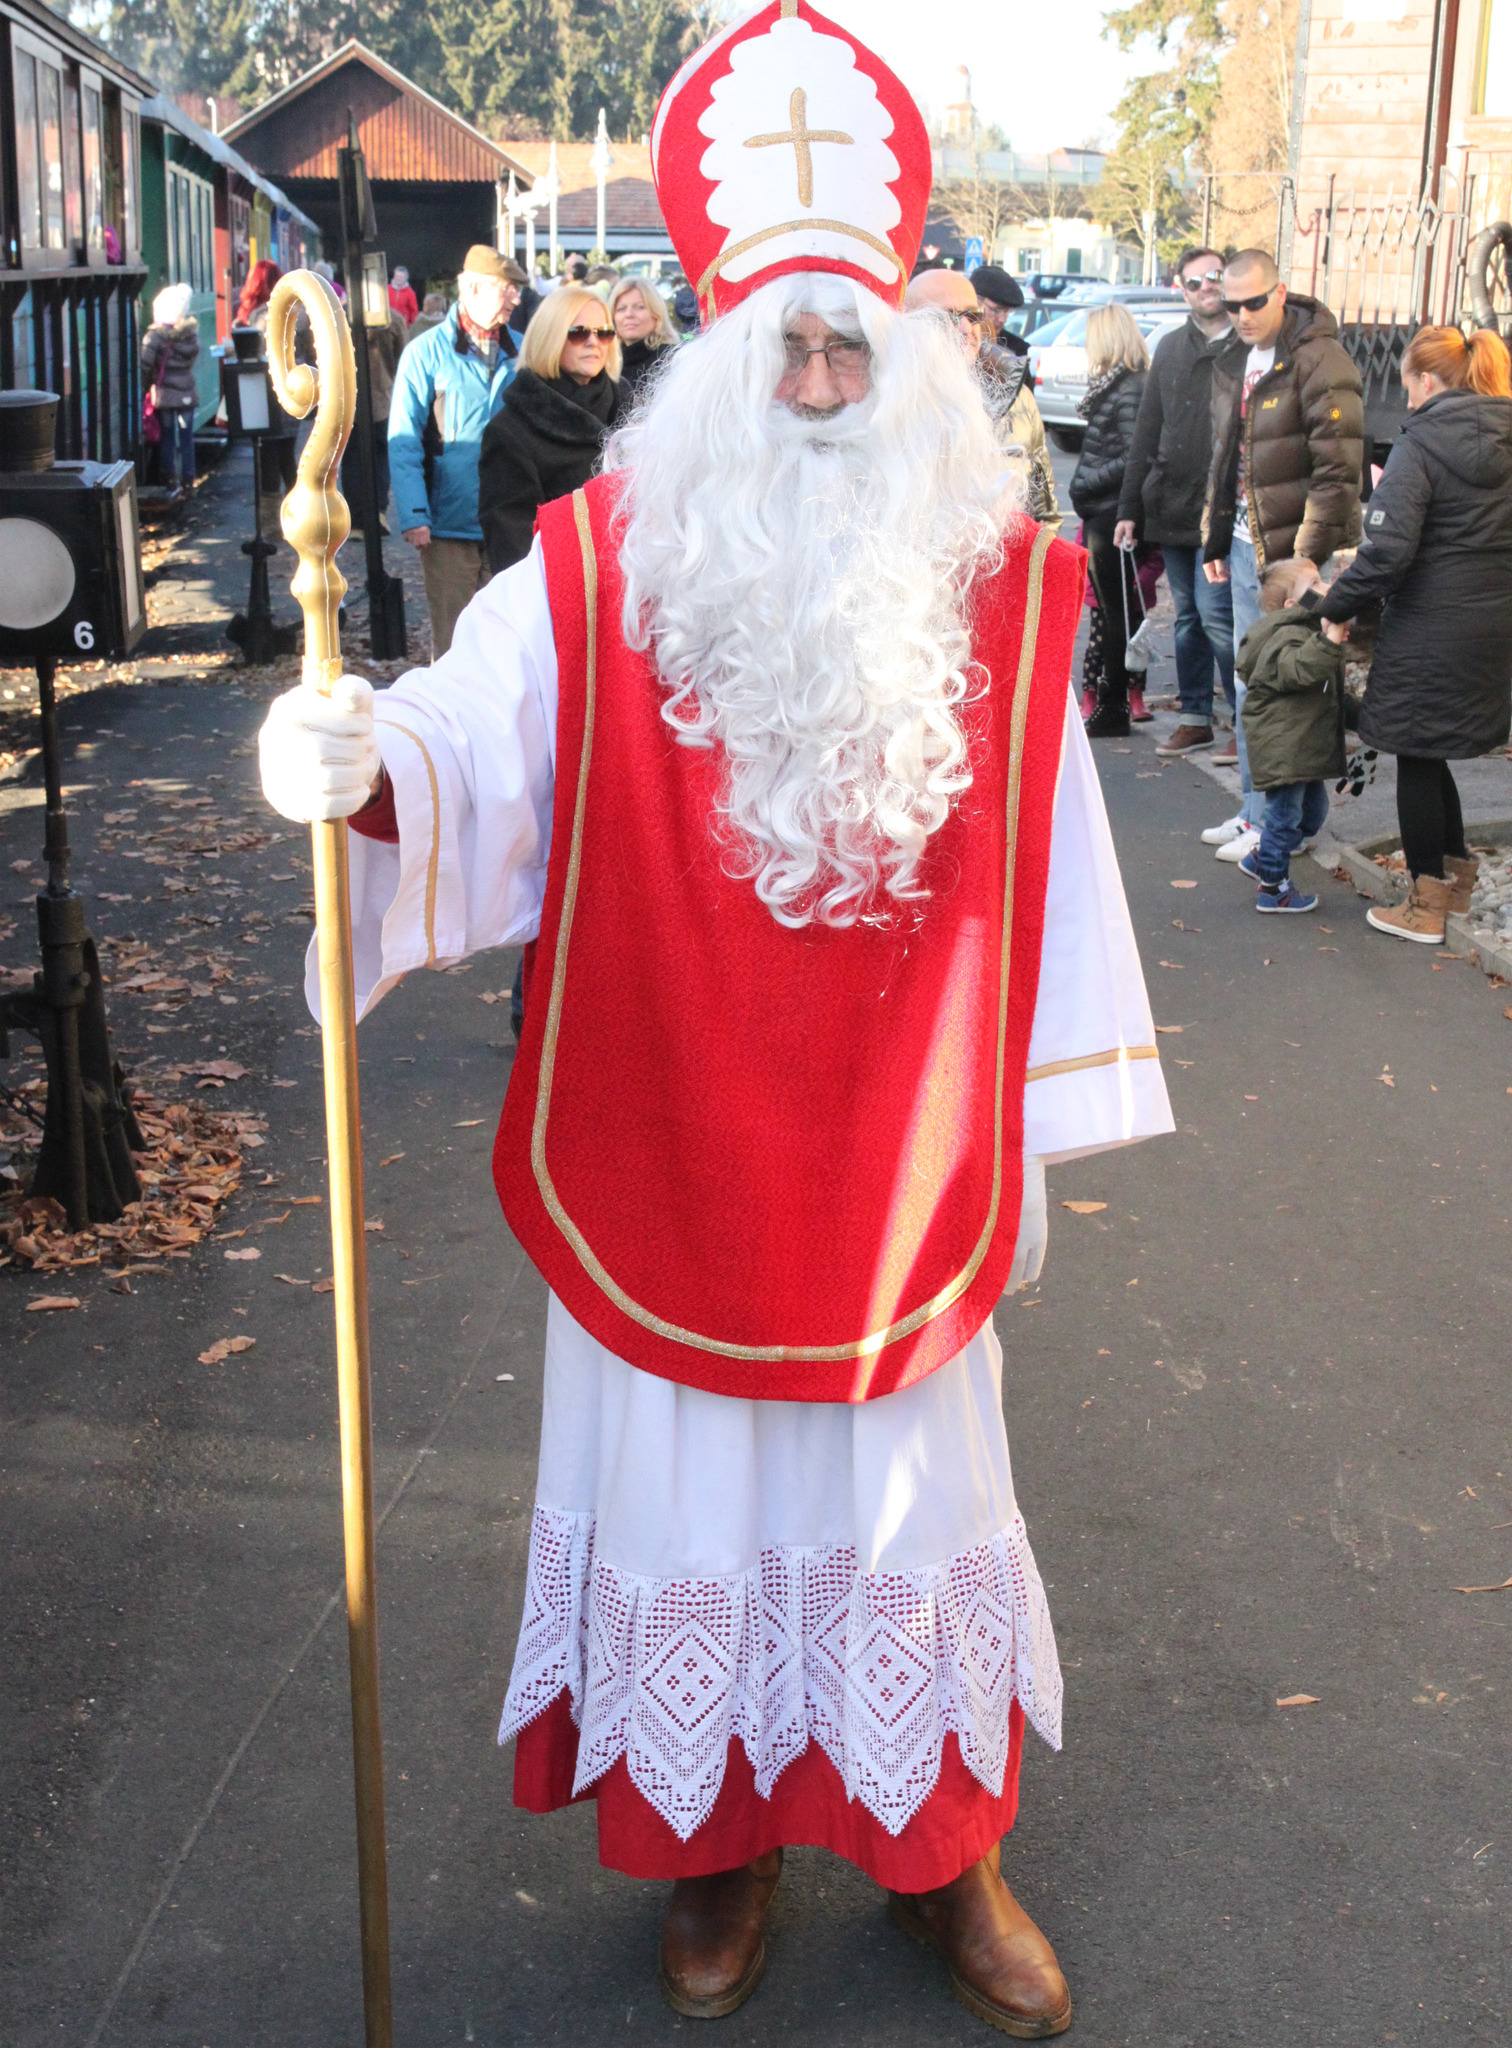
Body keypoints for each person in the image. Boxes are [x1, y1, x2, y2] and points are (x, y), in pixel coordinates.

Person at [256, 7, 1170, 2032]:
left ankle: (948, 1858)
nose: (827, 387)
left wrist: (1044, 1118)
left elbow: (1062, 869)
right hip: (656, 1145)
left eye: (857, 350)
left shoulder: (1002, 595)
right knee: (685, 1509)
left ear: (915, 362)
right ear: (716, 370)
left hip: (909, 1174)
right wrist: (356, 755)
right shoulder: (591, 575)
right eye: (790, 355)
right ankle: (708, 1845)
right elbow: (467, 742)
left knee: (918, 1512)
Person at [1315, 324, 1512, 944]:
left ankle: (1424, 906)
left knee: (1414, 750)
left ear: (1426, 381)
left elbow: (1387, 551)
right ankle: (1452, 884)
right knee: (1432, 748)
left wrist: (1336, 603)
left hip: (1430, 622)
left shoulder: (1420, 443)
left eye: (1407, 385)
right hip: (1494, 622)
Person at [1199, 249, 1364, 865]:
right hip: (1247, 545)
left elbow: (1338, 471)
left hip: (1292, 558)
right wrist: (1216, 537)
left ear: (1281, 292)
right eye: (1231, 303)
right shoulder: (1235, 356)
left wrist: (1304, 563)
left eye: (1252, 302)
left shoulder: (1319, 357)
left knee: (1289, 693)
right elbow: (1225, 455)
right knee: (1254, 686)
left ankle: (1277, 822)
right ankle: (1256, 810)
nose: (1240, 314)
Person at [1114, 247, 1246, 760]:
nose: (1206, 288)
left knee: (1219, 617)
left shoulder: (1247, 345)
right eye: (1194, 282)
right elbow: (1146, 431)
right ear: (1182, 290)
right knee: (1189, 617)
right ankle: (1195, 717)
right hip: (1173, 505)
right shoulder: (1169, 347)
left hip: (1226, 511)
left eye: (1214, 277)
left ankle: (1242, 720)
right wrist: (1130, 508)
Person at [388, 246, 525, 656]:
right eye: (509, 289)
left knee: (508, 646)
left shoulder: (527, 352)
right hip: (447, 526)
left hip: (511, 523)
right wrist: (414, 515)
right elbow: (403, 439)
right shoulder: (424, 353)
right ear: (476, 288)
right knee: (453, 645)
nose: (516, 299)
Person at [478, 286, 623, 575]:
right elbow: (513, 551)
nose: (594, 342)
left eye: (604, 332)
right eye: (579, 332)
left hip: (632, 590)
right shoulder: (511, 430)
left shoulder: (631, 409)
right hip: (561, 594)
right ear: (550, 337)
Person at [1229, 556, 1345, 914]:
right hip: (1285, 749)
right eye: (1314, 585)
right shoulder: (1283, 634)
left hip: (1302, 745)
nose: (1324, 587)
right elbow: (1298, 670)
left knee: (1313, 813)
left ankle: (1261, 858)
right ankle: (1273, 889)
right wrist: (1331, 641)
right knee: (1284, 818)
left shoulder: (1308, 630)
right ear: (1292, 605)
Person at [904, 266, 1059, 530]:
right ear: (907, 326)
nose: (966, 328)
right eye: (946, 318)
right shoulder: (881, 400)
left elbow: (1042, 510)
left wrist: (1033, 565)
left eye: (972, 315)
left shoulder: (1016, 396)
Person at [1069, 305, 1149, 736]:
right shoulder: (1120, 384)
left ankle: (1114, 703)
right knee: (1112, 613)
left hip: (1112, 512)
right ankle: (1111, 699)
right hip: (1105, 510)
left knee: (1115, 614)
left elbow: (1134, 455)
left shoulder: (1129, 387)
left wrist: (1085, 482)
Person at [341, 302, 409, 531]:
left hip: (348, 401)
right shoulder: (394, 318)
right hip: (383, 399)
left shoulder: (338, 315)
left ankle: (356, 518)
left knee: (351, 458)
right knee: (381, 457)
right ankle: (378, 511)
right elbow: (404, 358)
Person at [140, 282, 199, 490]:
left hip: (164, 393)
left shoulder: (155, 337)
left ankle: (169, 478)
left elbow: (145, 364)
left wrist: (146, 386)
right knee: (186, 437)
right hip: (186, 393)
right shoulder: (190, 336)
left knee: (167, 436)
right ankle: (188, 478)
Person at [608, 276, 679, 404]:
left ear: (656, 314)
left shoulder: (670, 360)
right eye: (621, 309)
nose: (629, 314)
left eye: (639, 307)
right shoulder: (607, 360)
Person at [966, 263, 1025, 342]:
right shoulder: (949, 343)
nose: (1003, 319)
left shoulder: (1017, 350)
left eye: (1007, 312)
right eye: (996, 310)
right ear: (974, 303)